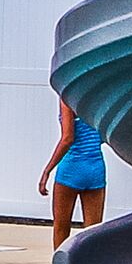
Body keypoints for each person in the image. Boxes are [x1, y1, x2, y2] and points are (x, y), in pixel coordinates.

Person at [46, 99, 109, 249]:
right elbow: (104, 134)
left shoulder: (67, 100)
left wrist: (47, 171)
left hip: (72, 169)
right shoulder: (97, 99)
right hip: (95, 167)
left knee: (61, 227)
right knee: (92, 231)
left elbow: (68, 138)